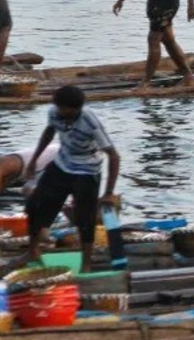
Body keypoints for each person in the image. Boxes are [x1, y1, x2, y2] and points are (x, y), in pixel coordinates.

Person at [24, 86, 121, 272]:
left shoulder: (90, 122)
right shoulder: (54, 112)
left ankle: (86, 263)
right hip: (62, 164)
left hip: (87, 170)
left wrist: (108, 192)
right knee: (35, 204)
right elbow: (49, 132)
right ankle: (33, 250)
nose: (60, 112)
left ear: (75, 109)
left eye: (65, 110)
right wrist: (34, 160)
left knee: (85, 218)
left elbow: (114, 156)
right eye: (59, 108)